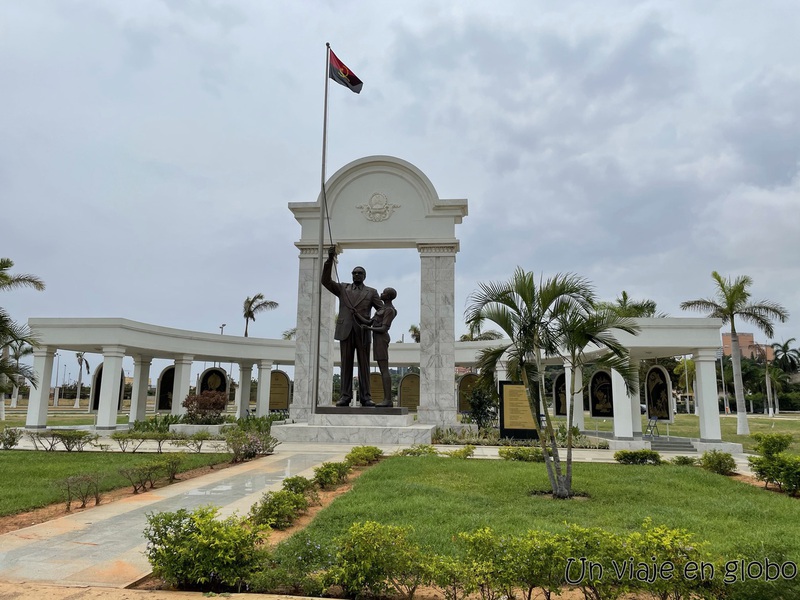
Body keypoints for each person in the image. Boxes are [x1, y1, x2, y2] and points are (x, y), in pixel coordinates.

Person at [322, 246, 383, 407]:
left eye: (359, 273)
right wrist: (329, 259)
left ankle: (366, 397)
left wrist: (370, 321)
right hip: (346, 331)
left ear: (364, 276)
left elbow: (382, 310)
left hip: (362, 331)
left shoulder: (371, 292)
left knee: (364, 365)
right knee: (345, 365)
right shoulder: (343, 288)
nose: (356, 275)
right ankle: (345, 396)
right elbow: (325, 281)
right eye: (354, 273)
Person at [355, 287, 397, 407]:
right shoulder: (381, 309)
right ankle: (387, 399)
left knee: (384, 369)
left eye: (383, 292)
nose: (381, 294)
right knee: (382, 368)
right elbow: (369, 322)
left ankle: (388, 400)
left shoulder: (390, 310)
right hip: (377, 339)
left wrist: (369, 329)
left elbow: (384, 328)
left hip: (381, 339)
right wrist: (356, 313)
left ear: (388, 296)